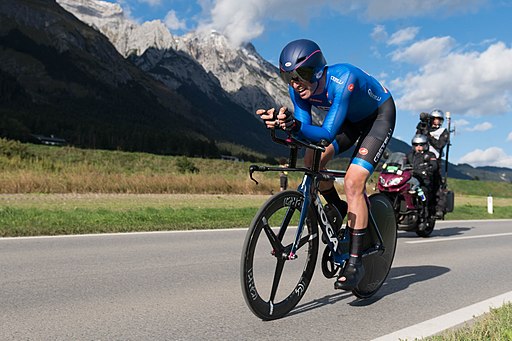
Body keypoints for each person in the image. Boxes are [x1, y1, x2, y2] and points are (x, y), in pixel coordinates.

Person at [256, 39, 396, 291]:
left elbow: (326, 133)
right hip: (350, 122)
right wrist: (283, 125)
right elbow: (303, 133)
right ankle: (337, 205)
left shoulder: (344, 79)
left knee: (353, 181)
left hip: (378, 117)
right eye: (288, 77)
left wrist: (296, 127)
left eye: (302, 75)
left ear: (319, 70)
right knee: (311, 160)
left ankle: (355, 263)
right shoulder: (297, 90)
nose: (296, 84)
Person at [416, 109, 449, 218]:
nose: (437, 121)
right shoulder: (425, 129)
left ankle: (438, 209)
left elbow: (439, 145)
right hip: (420, 159)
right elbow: (416, 139)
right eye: (435, 119)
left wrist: (428, 136)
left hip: (434, 160)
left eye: (439, 119)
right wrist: (421, 127)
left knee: (436, 185)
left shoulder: (443, 131)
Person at [406, 134, 438, 230]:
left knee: (423, 195)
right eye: (416, 145)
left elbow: (434, 165)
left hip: (424, 181)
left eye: (420, 145)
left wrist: (427, 170)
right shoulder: (409, 155)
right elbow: (402, 163)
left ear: (425, 145)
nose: (418, 147)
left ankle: (423, 218)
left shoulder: (430, 155)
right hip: (411, 181)